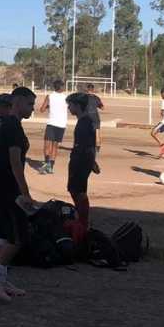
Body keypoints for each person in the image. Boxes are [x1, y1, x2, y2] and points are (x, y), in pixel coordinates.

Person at [0, 87, 37, 302]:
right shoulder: (12, 126)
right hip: (7, 188)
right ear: (19, 102)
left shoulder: (11, 124)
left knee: (3, 235)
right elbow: (15, 163)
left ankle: (0, 278)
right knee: (17, 236)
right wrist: (25, 193)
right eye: (30, 104)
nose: (32, 109)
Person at [66, 92, 96, 229]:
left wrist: (86, 161)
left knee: (77, 191)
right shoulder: (86, 120)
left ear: (77, 106)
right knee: (75, 189)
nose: (68, 108)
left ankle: (83, 222)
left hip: (80, 161)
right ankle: (82, 219)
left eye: (70, 105)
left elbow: (85, 146)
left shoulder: (84, 122)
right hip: (84, 159)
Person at [37, 80, 67, 174]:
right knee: (55, 146)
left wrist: (49, 106)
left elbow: (41, 109)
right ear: (61, 87)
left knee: (47, 145)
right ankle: (50, 167)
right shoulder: (66, 98)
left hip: (52, 123)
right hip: (61, 124)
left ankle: (47, 163)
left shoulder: (49, 96)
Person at [84, 83, 105, 173]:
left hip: (87, 119)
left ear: (87, 89)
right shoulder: (96, 98)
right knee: (97, 133)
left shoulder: (83, 97)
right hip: (95, 118)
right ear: (93, 90)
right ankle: (98, 147)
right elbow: (103, 107)